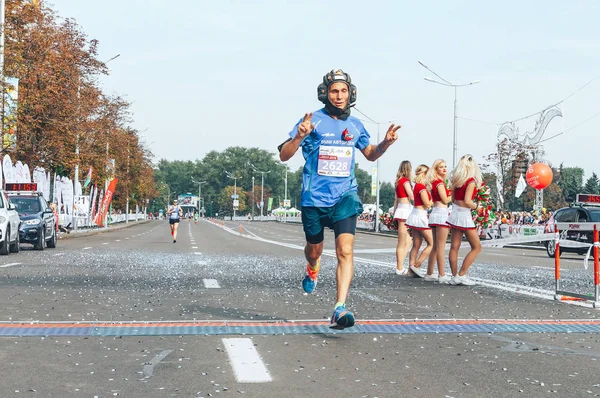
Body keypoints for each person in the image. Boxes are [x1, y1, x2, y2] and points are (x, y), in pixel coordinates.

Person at [278, 69, 400, 330]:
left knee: (345, 251)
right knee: (315, 250)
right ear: (325, 93)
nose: (339, 95)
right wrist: (299, 136)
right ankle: (312, 267)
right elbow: (284, 156)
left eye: (344, 90)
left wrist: (386, 143)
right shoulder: (312, 121)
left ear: (351, 93)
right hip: (314, 199)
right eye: (334, 91)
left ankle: (339, 308)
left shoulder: (355, 125)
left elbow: (370, 154)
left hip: (345, 196)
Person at [446, 154, 483, 285]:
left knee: (454, 247)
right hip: (464, 215)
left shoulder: (456, 180)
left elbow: (453, 199)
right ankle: (462, 274)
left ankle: (454, 276)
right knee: (477, 247)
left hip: (455, 212)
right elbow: (468, 201)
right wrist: (477, 206)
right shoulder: (471, 181)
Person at [424, 159, 452, 284]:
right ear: (436, 169)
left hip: (436, 213)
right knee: (440, 246)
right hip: (441, 213)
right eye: (441, 167)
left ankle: (430, 272)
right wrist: (455, 194)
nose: (444, 169)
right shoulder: (439, 183)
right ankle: (441, 274)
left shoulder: (435, 183)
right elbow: (445, 200)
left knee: (435, 247)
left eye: (445, 166)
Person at [406, 164, 433, 278]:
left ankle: (410, 269)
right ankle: (416, 265)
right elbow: (427, 204)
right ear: (425, 174)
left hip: (414, 214)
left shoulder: (417, 186)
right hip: (420, 215)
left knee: (416, 244)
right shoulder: (421, 188)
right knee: (432, 243)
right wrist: (435, 199)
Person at [392, 160, 414, 275]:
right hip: (406, 210)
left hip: (400, 210)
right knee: (404, 242)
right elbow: (411, 195)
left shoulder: (397, 182)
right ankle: (399, 267)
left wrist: (394, 214)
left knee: (407, 240)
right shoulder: (405, 181)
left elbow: (396, 200)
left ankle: (400, 265)